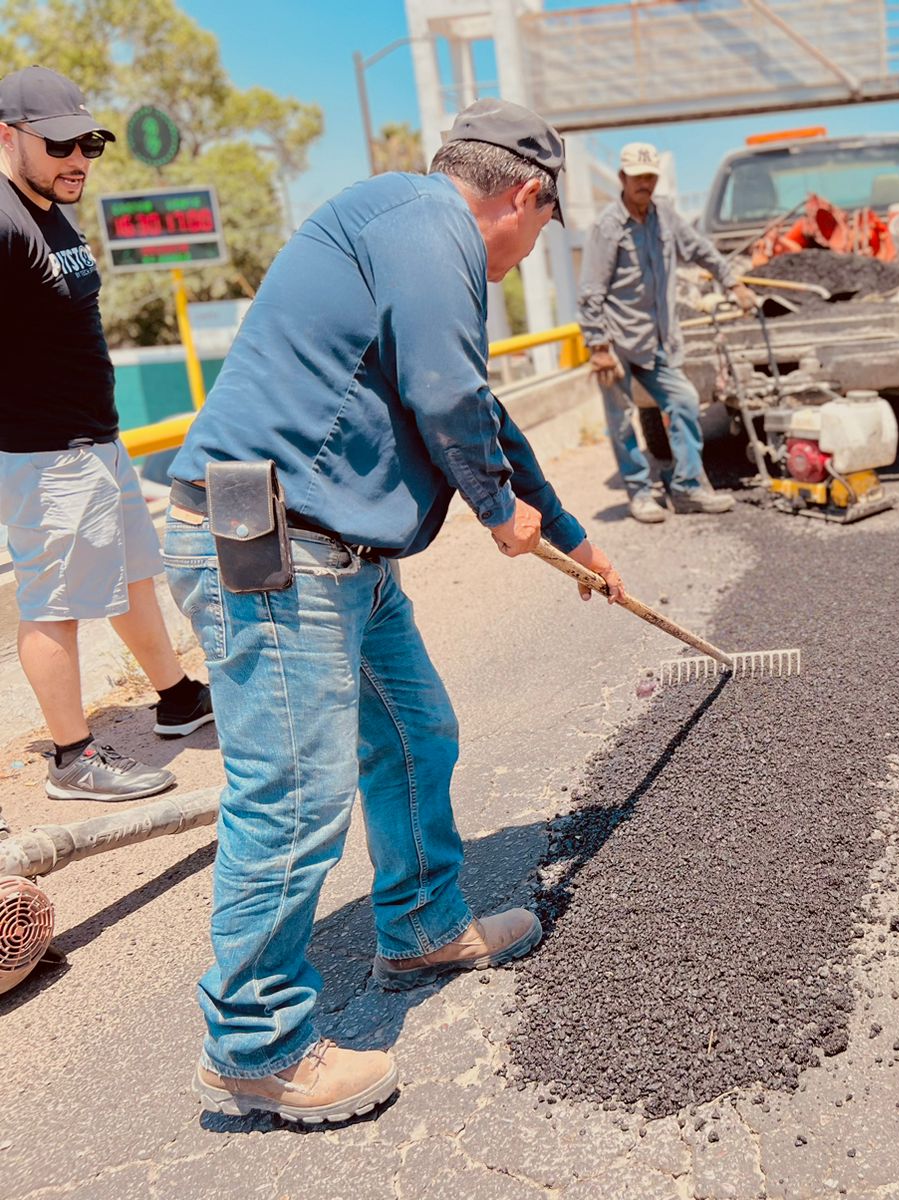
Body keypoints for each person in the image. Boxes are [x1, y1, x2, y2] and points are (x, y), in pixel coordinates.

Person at [163, 98, 626, 1124]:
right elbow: (445, 393)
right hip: (277, 551)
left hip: (346, 558)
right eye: (545, 223)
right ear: (525, 194)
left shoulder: (415, 232)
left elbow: (482, 407)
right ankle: (256, 1043)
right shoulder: (430, 226)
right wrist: (499, 510)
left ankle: (419, 924)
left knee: (418, 732)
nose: (530, 246)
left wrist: (568, 529)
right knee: (291, 798)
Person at [0, 66, 212, 809]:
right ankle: (71, 758)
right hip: (45, 453)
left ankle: (178, 699)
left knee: (130, 572)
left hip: (95, 440)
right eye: (58, 144)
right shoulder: (2, 216)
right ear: (8, 136)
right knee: (53, 603)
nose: (77, 159)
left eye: (88, 143)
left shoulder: (53, 207)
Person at [578, 142, 758, 524]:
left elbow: (702, 250)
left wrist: (734, 284)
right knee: (624, 421)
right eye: (637, 176)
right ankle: (640, 494)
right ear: (622, 178)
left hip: (658, 341)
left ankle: (687, 487)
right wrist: (598, 345)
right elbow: (591, 290)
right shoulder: (608, 228)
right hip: (617, 344)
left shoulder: (666, 218)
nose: (644, 183)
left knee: (685, 402)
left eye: (650, 176)